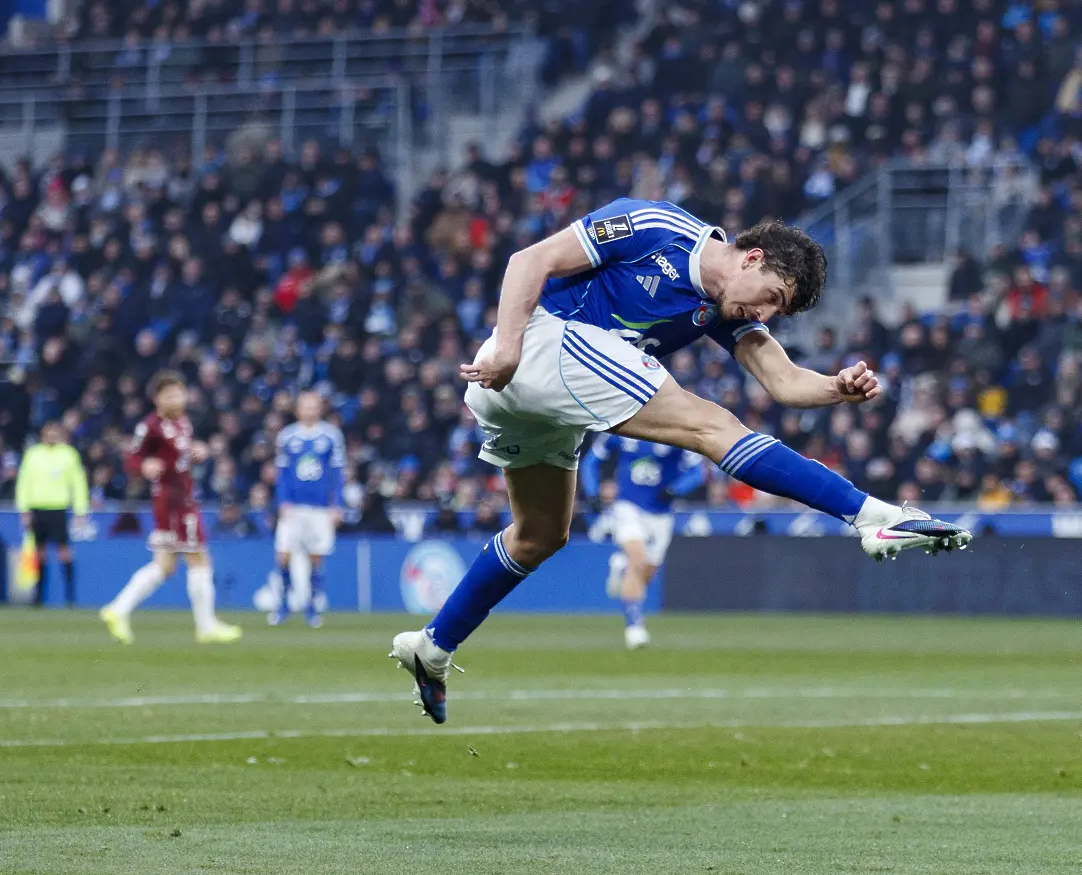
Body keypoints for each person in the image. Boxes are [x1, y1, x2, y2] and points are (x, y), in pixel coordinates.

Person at [391, 198, 971, 723]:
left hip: (536, 394)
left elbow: (785, 381)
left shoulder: (728, 310)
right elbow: (527, 261)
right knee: (712, 425)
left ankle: (433, 646)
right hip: (538, 345)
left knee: (540, 534)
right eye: (772, 297)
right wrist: (512, 345)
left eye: (779, 312)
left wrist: (836, 388)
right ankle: (871, 516)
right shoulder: (656, 228)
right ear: (753, 258)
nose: (765, 315)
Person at [98, 371, 243, 645]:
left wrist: (196, 452)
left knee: (165, 566)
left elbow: (178, 456)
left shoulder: (183, 423)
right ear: (157, 399)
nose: (177, 399)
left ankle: (118, 609)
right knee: (199, 558)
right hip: (172, 501)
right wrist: (143, 466)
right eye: (170, 394)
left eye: (179, 393)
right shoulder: (151, 426)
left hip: (181, 497)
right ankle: (206, 625)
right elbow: (133, 458)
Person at [584, 435, 706, 649]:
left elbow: (698, 472)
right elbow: (590, 461)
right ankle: (634, 627)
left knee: (647, 572)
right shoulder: (621, 429)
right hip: (627, 507)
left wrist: (676, 489)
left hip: (661, 514)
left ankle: (623, 566)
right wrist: (592, 492)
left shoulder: (677, 431)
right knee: (638, 559)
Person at [269, 390, 345, 628]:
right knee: (283, 554)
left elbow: (337, 474)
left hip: (320, 508)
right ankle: (283, 605)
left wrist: (337, 505)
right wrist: (282, 501)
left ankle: (312, 607)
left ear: (319, 409)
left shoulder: (331, 436)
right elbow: (282, 473)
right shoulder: (287, 437)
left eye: (314, 406)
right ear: (297, 410)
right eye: (305, 406)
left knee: (315, 558)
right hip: (293, 506)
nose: (310, 410)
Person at [14, 420, 89, 606]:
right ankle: (39, 597)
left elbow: (78, 482)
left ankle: (70, 596)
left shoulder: (68, 454)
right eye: (49, 432)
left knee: (64, 551)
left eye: (55, 432)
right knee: (39, 553)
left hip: (58, 508)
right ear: (43, 434)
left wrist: (81, 509)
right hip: (37, 508)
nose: (52, 436)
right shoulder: (33, 454)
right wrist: (23, 509)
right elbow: (24, 482)